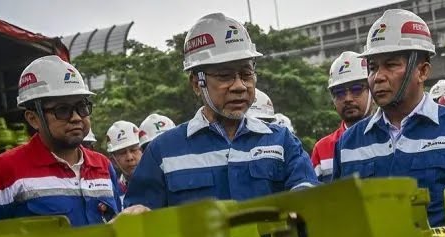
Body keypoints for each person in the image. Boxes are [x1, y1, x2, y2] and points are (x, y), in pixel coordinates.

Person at [124, 13, 317, 209]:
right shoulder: (162, 152)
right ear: (197, 83)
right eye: (225, 76)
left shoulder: (282, 142)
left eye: (246, 74)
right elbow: (140, 221)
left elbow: (310, 201)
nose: (240, 86)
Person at [332, 9, 445, 227]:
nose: (378, 77)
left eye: (391, 65)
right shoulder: (348, 144)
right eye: (372, 67)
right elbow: (340, 219)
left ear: (423, 71)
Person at [0, 55, 122, 226]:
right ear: (33, 118)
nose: (76, 117)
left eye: (82, 107)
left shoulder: (103, 166)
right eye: (62, 110)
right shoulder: (1, 172)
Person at [311, 51, 372, 182]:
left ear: (372, 89)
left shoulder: (391, 135)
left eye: (356, 89)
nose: (348, 99)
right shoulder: (322, 149)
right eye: (339, 93)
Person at [105, 120, 143, 200]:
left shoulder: (161, 184)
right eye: (122, 153)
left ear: (143, 151)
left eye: (133, 150)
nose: (129, 158)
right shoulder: (112, 194)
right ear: (113, 161)